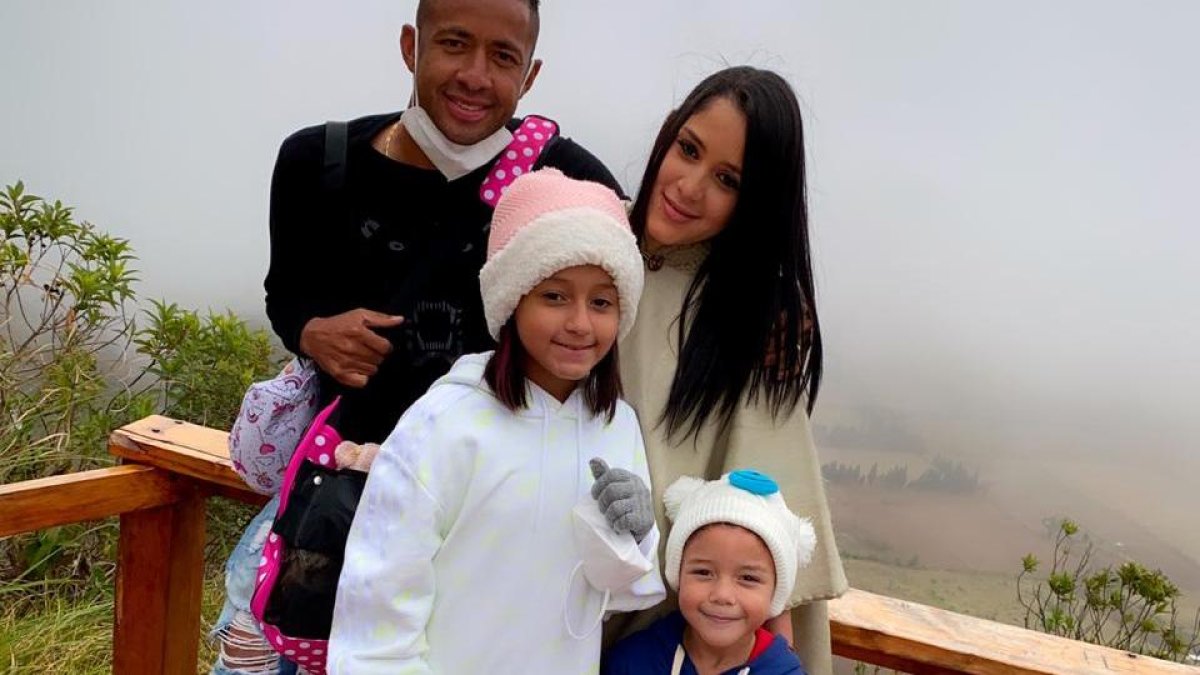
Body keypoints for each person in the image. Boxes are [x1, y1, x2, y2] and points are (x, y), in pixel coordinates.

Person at [212, 0, 624, 671]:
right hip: (326, 505)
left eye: (503, 57)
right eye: (454, 44)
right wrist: (313, 331)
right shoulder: (317, 162)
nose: (475, 75)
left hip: (469, 531)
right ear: (412, 45)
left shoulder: (567, 182)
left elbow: (631, 279)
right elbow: (283, 292)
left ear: (531, 73)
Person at [327, 169, 665, 673]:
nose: (579, 323)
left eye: (601, 302)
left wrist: (637, 536)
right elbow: (379, 597)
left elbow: (620, 592)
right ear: (512, 300)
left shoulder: (615, 424)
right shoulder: (446, 423)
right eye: (554, 295)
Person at [605, 66, 848, 675]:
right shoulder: (590, 252)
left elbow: (769, 524)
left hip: (669, 635)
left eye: (727, 179)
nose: (688, 186)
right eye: (687, 149)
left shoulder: (751, 319)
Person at [604, 470, 815, 675]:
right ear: (678, 574)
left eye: (748, 578)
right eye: (704, 572)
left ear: (775, 593)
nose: (722, 595)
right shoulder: (633, 662)